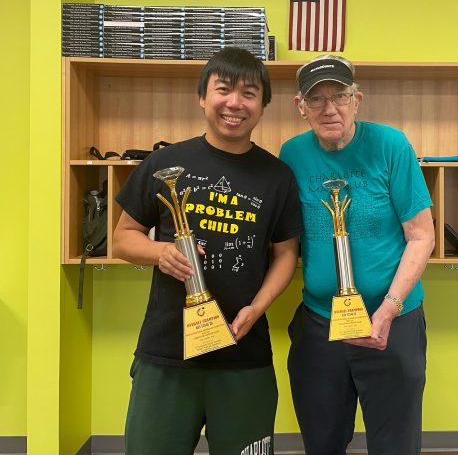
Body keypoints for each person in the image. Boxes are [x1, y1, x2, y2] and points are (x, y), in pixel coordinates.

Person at [113, 47, 303, 455]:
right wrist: (159, 253)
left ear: (263, 106)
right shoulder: (164, 162)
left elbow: (286, 254)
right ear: (203, 97)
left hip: (243, 355)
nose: (235, 103)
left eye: (249, 93)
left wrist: (258, 307)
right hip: (167, 353)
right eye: (223, 90)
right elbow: (123, 237)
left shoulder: (278, 176)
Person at [279, 54, 435, 455]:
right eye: (316, 99)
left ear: (357, 99)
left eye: (340, 96)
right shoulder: (292, 154)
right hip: (320, 325)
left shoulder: (391, 145)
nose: (329, 108)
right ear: (300, 107)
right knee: (323, 442)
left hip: (393, 322)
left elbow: (421, 236)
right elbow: (282, 239)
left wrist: (388, 308)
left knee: (395, 445)